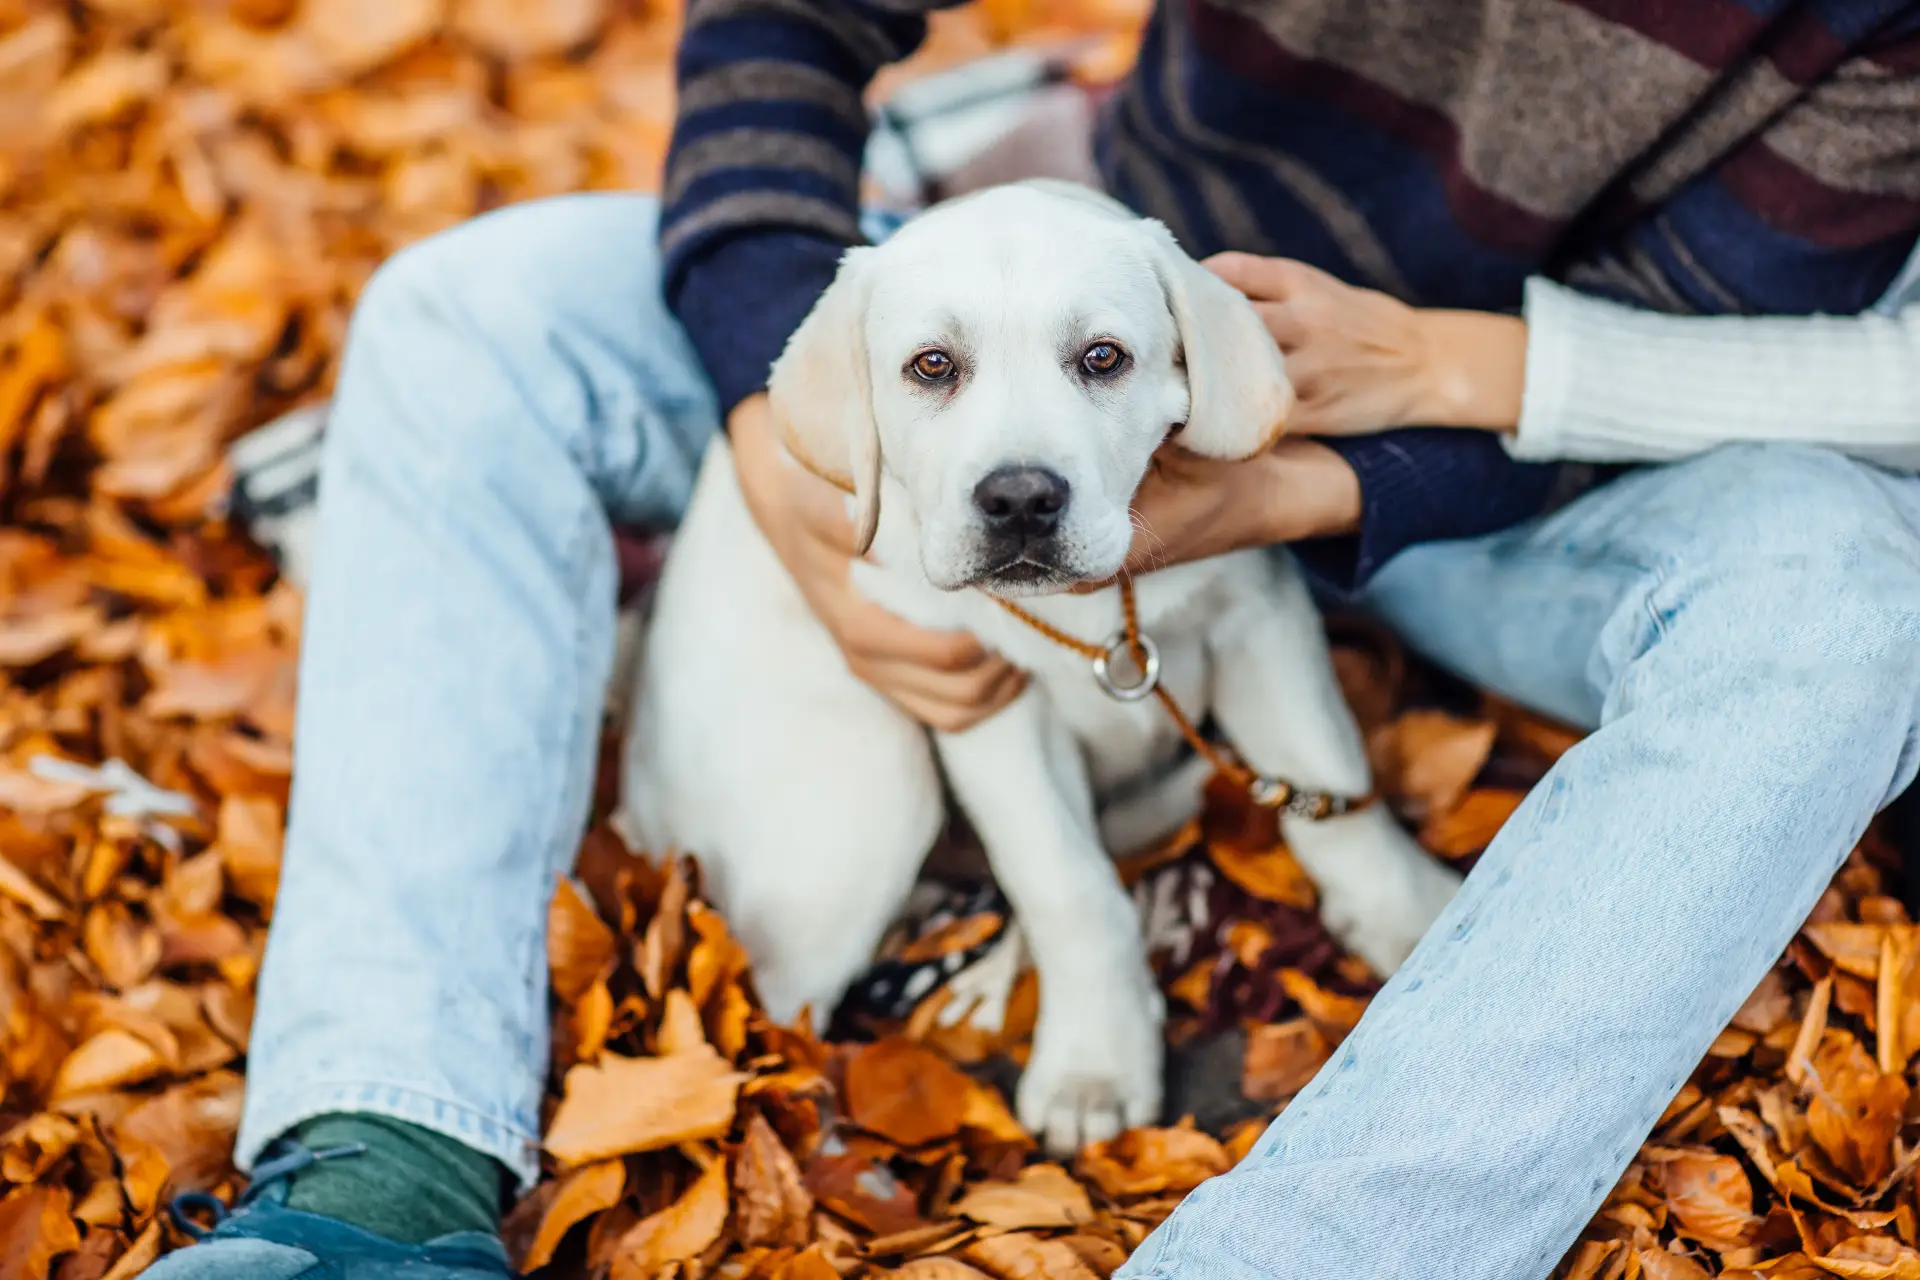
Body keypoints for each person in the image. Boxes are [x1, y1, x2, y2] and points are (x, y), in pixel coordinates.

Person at [147, 2, 1920, 1278]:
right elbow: (783, 23)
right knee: (467, 310)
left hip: (1514, 449)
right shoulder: (935, 354)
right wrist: (786, 416)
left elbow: (1697, 339)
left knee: (1847, 592)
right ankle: (385, 1152)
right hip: (1082, 285)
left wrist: (1307, 479)